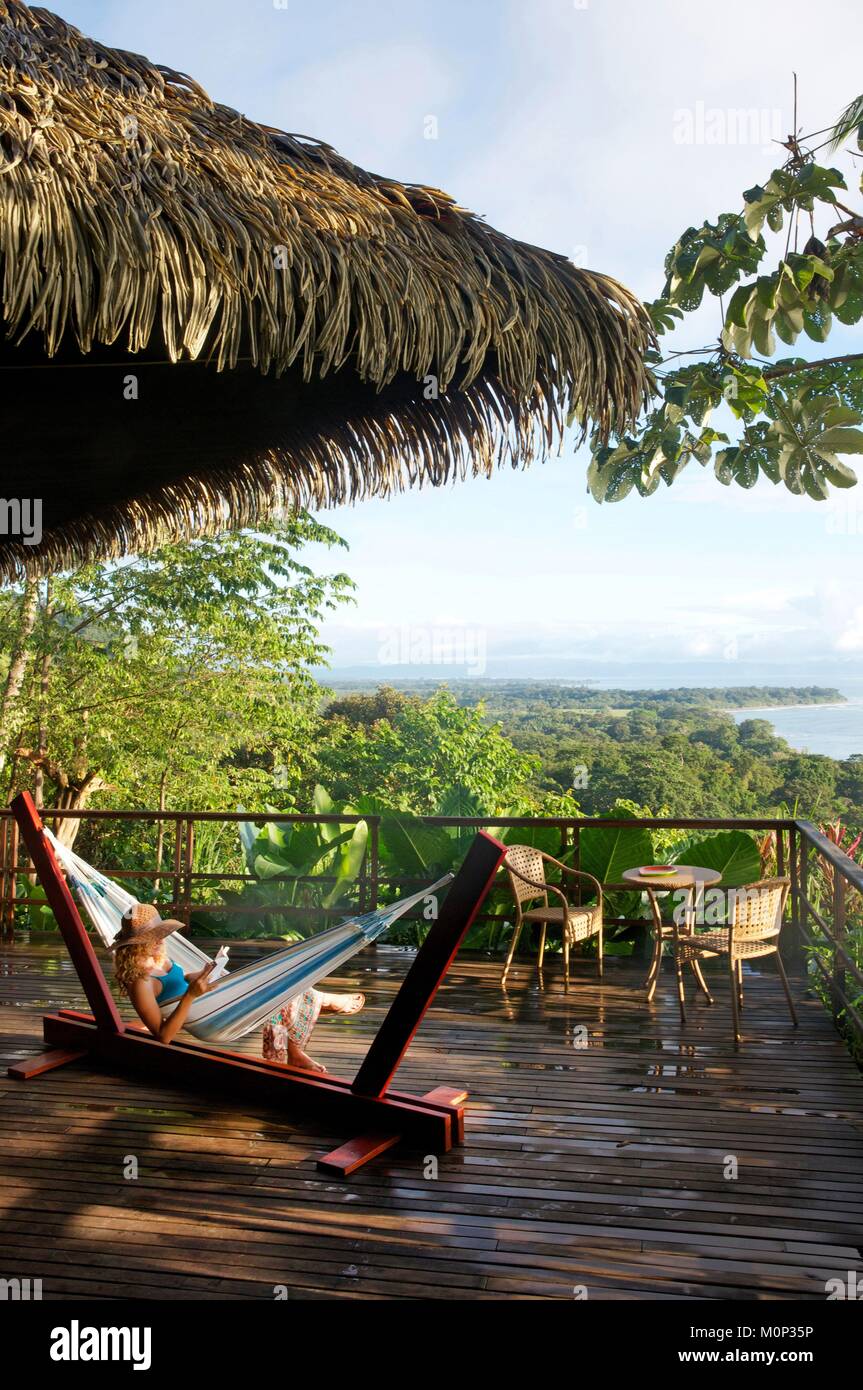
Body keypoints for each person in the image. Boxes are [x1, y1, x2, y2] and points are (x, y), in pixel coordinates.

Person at [112, 903, 364, 1070]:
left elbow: (178, 981)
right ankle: (321, 1005)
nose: (159, 940)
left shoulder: (158, 958)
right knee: (284, 993)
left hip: (210, 1001)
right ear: (135, 943)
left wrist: (204, 973)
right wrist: (191, 995)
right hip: (207, 1019)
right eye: (152, 938)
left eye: (159, 934)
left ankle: (296, 1051)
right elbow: (163, 1036)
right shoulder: (141, 983)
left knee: (281, 987)